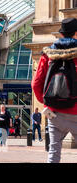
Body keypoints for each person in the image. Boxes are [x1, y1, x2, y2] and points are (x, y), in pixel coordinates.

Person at [32, 18, 77, 163]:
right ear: (76, 33)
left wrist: (46, 102)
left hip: (54, 111)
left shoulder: (48, 54)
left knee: (53, 152)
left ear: (62, 34)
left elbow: (36, 83)